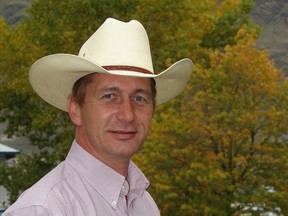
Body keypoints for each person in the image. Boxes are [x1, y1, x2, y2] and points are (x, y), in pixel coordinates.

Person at [3, 18, 193, 216]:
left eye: (139, 98)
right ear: (76, 109)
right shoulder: (44, 210)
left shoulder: (144, 204)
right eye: (109, 96)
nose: (127, 115)